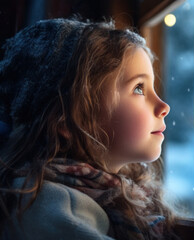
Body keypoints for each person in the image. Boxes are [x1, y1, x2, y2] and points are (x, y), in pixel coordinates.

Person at [0, 18, 177, 240]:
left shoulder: (114, 193)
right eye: (139, 88)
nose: (164, 106)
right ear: (67, 121)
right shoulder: (50, 205)